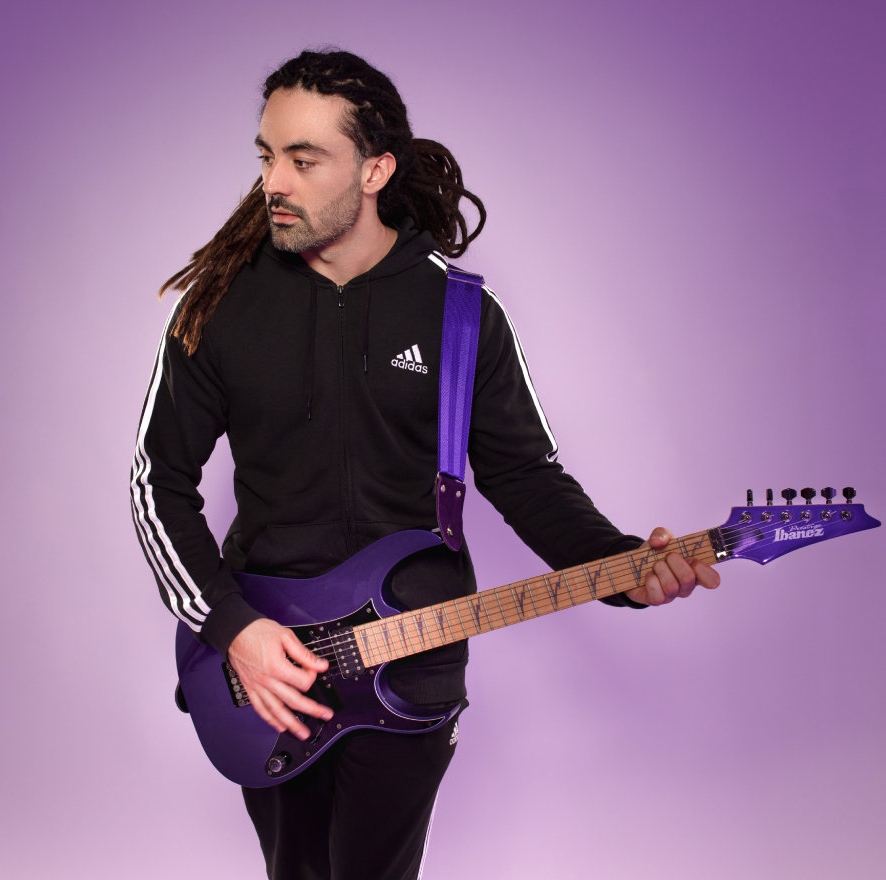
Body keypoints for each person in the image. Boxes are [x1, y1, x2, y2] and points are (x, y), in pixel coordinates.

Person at [130, 49, 720, 880]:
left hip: (415, 655)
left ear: (375, 170)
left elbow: (525, 476)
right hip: (272, 661)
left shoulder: (461, 313)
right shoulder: (222, 303)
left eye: (304, 160)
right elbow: (157, 484)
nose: (274, 183)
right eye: (267, 156)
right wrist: (235, 631)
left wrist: (623, 569)